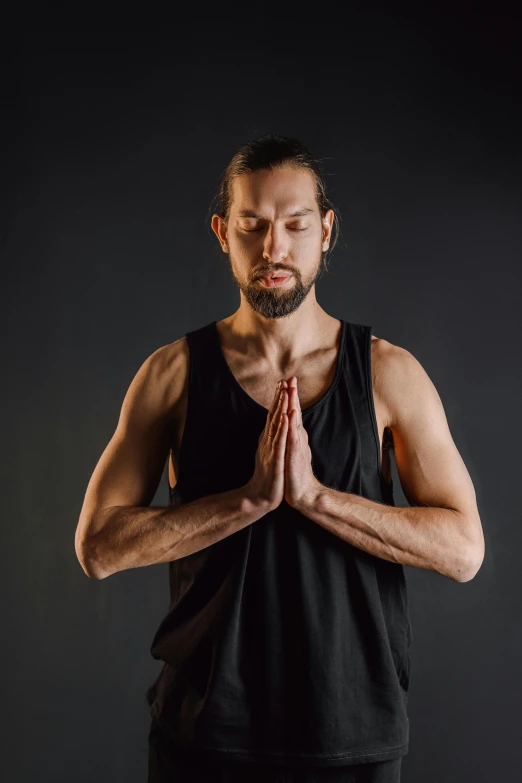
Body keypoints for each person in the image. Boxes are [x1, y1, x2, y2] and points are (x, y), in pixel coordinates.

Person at [75, 134, 485, 782]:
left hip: (355, 739)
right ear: (222, 233)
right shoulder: (172, 376)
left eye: (294, 225)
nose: (274, 248)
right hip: (202, 738)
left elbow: (464, 549)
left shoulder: (389, 375)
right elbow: (97, 547)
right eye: (253, 225)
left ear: (325, 231)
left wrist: (317, 496)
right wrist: (248, 500)